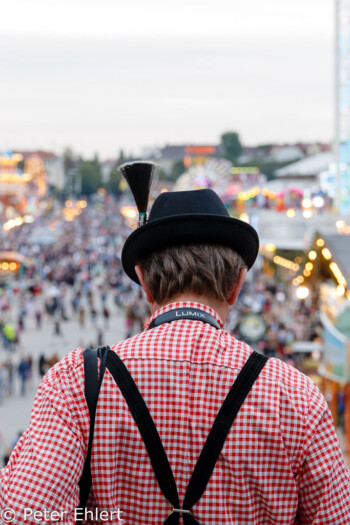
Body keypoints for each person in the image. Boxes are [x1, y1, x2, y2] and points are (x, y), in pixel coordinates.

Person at [0, 179, 349, 524]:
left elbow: (25, 514)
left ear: (145, 283)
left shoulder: (78, 381)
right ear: (237, 286)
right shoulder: (295, 395)